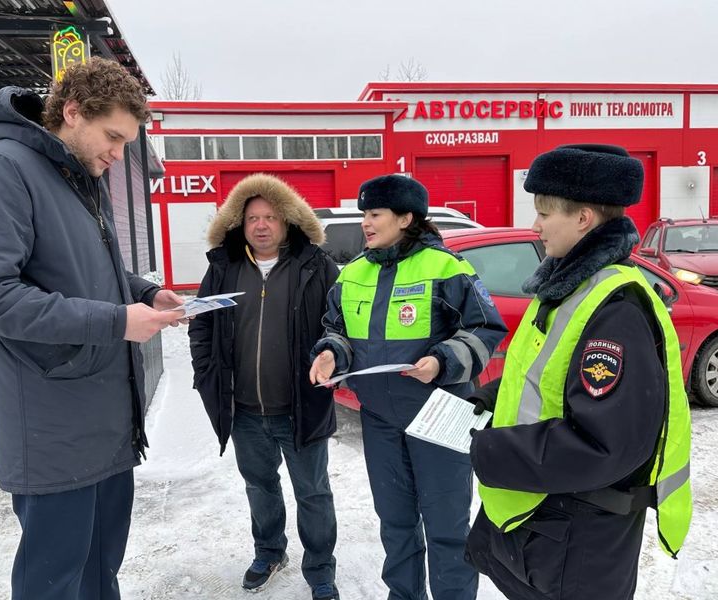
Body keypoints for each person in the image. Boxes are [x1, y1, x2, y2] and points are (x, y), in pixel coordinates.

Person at [0, 58, 185, 600]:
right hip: (53, 432)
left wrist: (142, 292)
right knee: (53, 584)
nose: (118, 154)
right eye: (113, 137)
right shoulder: (1, 169)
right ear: (73, 112)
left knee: (100, 576)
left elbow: (83, 269)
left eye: (127, 142)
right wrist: (118, 320)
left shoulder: (78, 175)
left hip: (104, 427)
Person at [465, 144, 692, 600]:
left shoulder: (616, 309)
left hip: (579, 540)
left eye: (544, 213)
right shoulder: (566, 288)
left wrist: (491, 449)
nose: (535, 226)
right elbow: (537, 379)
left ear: (583, 219)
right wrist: (481, 405)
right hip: (549, 525)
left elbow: (603, 446)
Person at [310, 174, 508, 600]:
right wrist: (329, 353)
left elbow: (485, 328)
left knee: (447, 526)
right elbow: (337, 331)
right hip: (381, 419)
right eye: (364, 213)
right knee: (395, 522)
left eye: (375, 213)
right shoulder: (352, 275)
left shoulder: (446, 268)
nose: (365, 222)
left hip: (442, 415)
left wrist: (442, 360)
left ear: (405, 217)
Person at [188, 173, 341, 600]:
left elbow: (339, 325)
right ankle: (270, 551)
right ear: (240, 222)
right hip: (246, 411)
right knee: (260, 487)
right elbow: (201, 324)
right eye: (253, 217)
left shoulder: (316, 267)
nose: (261, 225)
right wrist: (206, 375)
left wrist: (332, 361)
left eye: (270, 217)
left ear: (287, 221)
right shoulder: (224, 267)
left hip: (301, 406)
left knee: (313, 493)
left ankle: (321, 570)